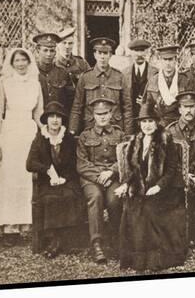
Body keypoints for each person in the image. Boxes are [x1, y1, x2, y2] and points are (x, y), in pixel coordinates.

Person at [115, 103, 188, 272]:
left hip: (166, 189)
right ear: (139, 124)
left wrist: (158, 187)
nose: (147, 125)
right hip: (142, 187)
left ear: (156, 122)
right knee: (132, 209)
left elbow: (171, 170)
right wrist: (125, 184)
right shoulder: (135, 141)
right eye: (143, 121)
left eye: (150, 121)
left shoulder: (165, 138)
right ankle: (136, 258)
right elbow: (132, 170)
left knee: (148, 209)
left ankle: (155, 258)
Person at [0, 48, 44, 245]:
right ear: (11, 63)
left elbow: (39, 114)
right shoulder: (4, 83)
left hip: (28, 135)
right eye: (17, 61)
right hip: (10, 134)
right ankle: (9, 229)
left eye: (24, 60)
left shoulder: (35, 84)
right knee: (9, 181)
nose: (21, 64)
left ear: (29, 62)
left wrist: (46, 133)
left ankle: (26, 226)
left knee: (27, 179)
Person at [26, 101, 83, 258]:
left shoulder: (69, 138)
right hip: (47, 181)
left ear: (62, 120)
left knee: (69, 195)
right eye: (51, 116)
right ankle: (55, 240)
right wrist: (48, 171)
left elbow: (75, 163)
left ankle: (60, 241)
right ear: (46, 120)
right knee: (50, 197)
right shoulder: (40, 138)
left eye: (58, 116)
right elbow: (30, 163)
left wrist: (64, 178)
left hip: (68, 180)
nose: (55, 120)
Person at [77, 98, 124, 264]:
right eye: (98, 114)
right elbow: (82, 164)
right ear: (93, 115)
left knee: (114, 199)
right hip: (91, 179)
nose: (102, 117)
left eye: (105, 113)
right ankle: (97, 244)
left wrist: (111, 172)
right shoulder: (85, 136)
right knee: (95, 198)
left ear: (111, 114)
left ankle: (117, 239)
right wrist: (99, 175)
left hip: (112, 177)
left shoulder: (119, 134)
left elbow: (125, 158)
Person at [167, 91, 195, 247]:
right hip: (177, 175)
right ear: (179, 109)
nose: (189, 111)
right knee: (178, 191)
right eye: (185, 107)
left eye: (192, 107)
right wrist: (183, 175)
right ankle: (186, 233)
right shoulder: (170, 131)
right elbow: (169, 159)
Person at [69, 37, 134, 135]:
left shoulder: (119, 77)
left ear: (110, 55)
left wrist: (128, 133)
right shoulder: (85, 77)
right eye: (99, 53)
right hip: (91, 128)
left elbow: (127, 107)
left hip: (115, 128)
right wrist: (73, 130)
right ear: (95, 55)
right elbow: (77, 106)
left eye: (105, 53)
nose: (102, 57)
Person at [143, 45, 189, 128]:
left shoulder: (184, 80)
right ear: (160, 60)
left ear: (176, 60)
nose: (168, 63)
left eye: (171, 59)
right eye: (165, 59)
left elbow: (191, 105)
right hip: (159, 125)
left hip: (180, 125)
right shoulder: (153, 80)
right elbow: (146, 107)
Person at [122, 39, 158, 129]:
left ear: (147, 52)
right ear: (131, 53)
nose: (139, 54)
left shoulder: (156, 73)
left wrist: (147, 102)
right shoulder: (124, 73)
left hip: (149, 121)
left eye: (142, 50)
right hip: (130, 120)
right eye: (136, 51)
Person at [55, 27, 90, 113]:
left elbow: (91, 83)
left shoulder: (81, 64)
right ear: (58, 45)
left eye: (70, 43)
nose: (67, 46)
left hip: (79, 109)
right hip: (59, 110)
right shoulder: (54, 64)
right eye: (64, 43)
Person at [34, 33, 73, 107]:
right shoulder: (31, 72)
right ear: (38, 50)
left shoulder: (63, 73)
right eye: (45, 50)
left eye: (51, 51)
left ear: (55, 52)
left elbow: (71, 99)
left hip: (57, 117)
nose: (48, 54)